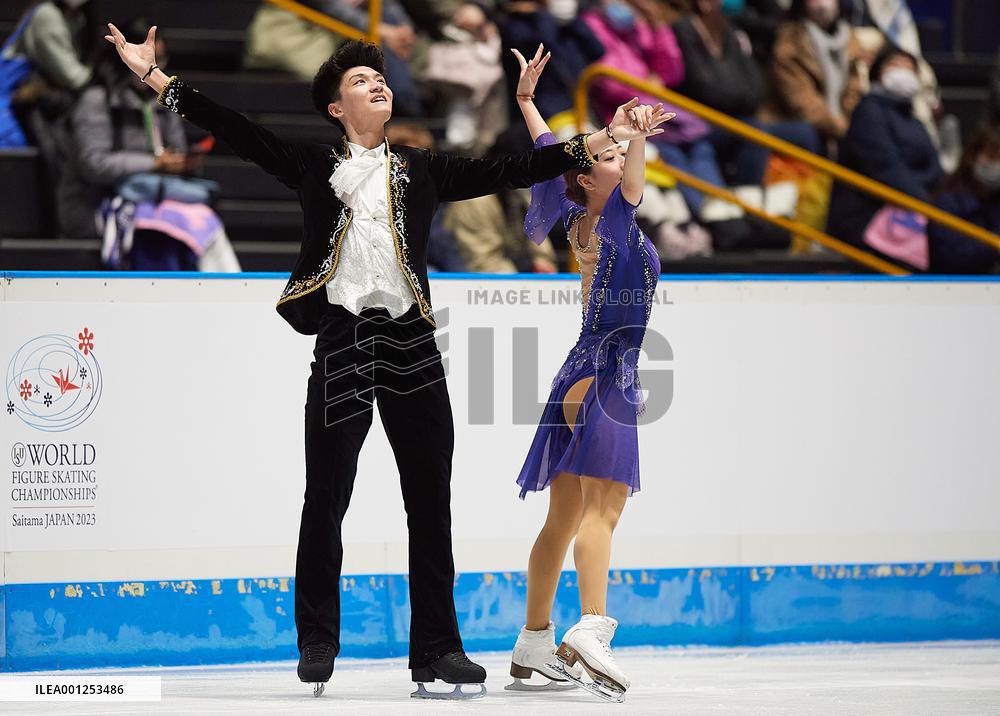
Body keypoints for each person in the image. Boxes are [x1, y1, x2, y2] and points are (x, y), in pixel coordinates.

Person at [104, 24, 643, 698]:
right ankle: (318, 638)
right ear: (337, 107)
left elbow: (509, 168)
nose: (378, 83)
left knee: (430, 500)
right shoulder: (311, 164)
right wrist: (156, 78)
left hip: (412, 342)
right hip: (344, 338)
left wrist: (601, 139)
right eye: (361, 80)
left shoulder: (422, 166)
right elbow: (235, 129)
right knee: (326, 493)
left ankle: (438, 648)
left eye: (380, 77)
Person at [506, 45, 668, 702]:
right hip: (607, 373)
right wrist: (634, 135)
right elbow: (627, 183)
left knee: (564, 518)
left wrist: (526, 102)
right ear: (589, 180)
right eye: (605, 158)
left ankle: (532, 642)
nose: (614, 157)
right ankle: (592, 629)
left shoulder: (581, 220)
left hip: (576, 373)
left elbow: (551, 151)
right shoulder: (613, 214)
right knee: (604, 508)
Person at [61, 21, 240, 272]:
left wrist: (181, 162)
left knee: (205, 222)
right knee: (164, 229)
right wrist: (154, 163)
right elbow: (94, 164)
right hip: (100, 202)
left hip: (156, 197)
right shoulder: (96, 101)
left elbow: (175, 147)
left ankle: (227, 289)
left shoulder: (163, 101)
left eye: (160, 59)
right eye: (146, 59)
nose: (155, 66)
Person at [674, 0, 821, 186]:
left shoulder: (731, 33)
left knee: (804, 132)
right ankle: (747, 196)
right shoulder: (683, 32)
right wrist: (738, 96)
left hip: (742, 119)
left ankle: (805, 198)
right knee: (755, 133)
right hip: (703, 123)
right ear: (705, 3)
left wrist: (735, 96)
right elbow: (705, 89)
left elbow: (757, 87)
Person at [827, 45, 942, 268]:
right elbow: (885, 168)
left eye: (909, 68)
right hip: (868, 214)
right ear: (878, 73)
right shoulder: (868, 112)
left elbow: (934, 168)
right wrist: (925, 204)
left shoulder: (915, 121)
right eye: (894, 65)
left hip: (913, 206)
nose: (902, 72)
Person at [766, 0, 865, 155]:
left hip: (840, 127)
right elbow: (801, 101)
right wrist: (839, 127)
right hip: (792, 124)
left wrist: (849, 123)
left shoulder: (851, 42)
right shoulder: (789, 41)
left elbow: (854, 90)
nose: (822, 4)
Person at [927, 125, 1000, 274]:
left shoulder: (995, 201)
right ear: (972, 156)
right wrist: (993, 245)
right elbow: (949, 258)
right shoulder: (947, 202)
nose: (997, 165)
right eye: (992, 156)